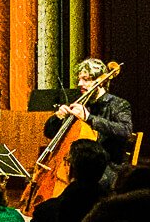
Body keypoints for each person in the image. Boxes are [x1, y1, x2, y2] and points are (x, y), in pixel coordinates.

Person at [43, 57, 132, 191]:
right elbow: (49, 133)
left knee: (78, 187)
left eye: (86, 79)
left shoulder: (118, 104)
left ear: (101, 81)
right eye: (79, 79)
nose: (79, 83)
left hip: (107, 167)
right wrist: (57, 118)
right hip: (80, 167)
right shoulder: (81, 103)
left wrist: (89, 118)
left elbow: (125, 130)